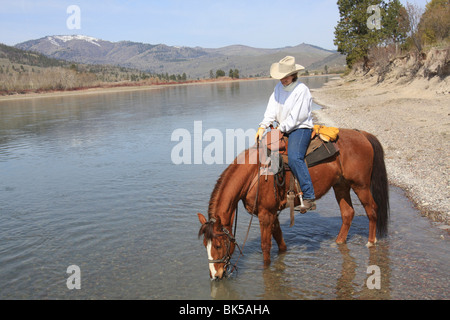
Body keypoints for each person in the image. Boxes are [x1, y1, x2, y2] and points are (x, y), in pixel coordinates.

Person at [255, 56, 316, 212]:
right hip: (281, 128)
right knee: (267, 153)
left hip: (300, 128)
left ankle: (309, 196)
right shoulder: (278, 88)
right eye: (281, 77)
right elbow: (271, 109)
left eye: (286, 76)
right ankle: (276, 193)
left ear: (294, 75)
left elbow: (297, 116)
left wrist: (280, 129)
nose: (283, 79)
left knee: (295, 157)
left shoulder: (302, 90)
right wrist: (262, 126)